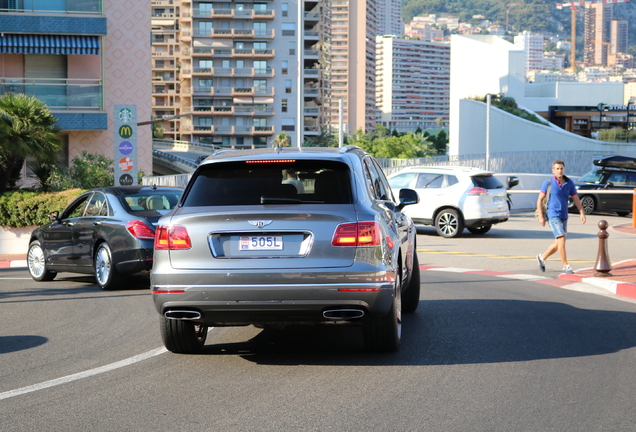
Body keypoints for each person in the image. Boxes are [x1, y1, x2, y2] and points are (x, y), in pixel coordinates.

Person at [536, 160, 586, 274]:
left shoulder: (569, 183)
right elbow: (540, 200)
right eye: (557, 169)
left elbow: (576, 198)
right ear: (553, 170)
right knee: (561, 239)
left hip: (564, 215)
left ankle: (542, 258)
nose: (560, 170)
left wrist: (582, 212)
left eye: (561, 168)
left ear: (564, 169)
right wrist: (541, 216)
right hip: (553, 214)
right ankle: (565, 266)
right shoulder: (548, 183)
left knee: (559, 242)